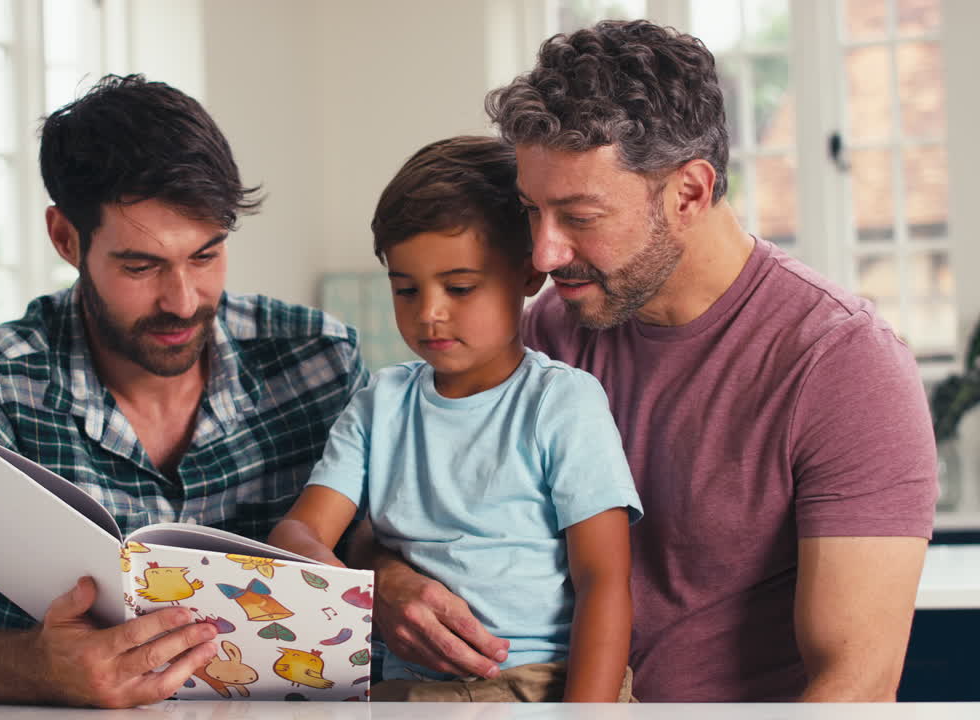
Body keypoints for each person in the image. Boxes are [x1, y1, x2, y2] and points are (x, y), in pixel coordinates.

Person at [365, 20, 938, 702]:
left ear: (690, 193)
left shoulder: (842, 367)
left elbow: (856, 686)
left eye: (579, 215)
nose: (543, 255)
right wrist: (388, 582)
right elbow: (396, 518)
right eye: (531, 212)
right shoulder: (545, 334)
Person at [0, 74, 367, 708]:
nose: (183, 301)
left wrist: (398, 580)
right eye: (141, 266)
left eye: (206, 256)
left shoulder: (317, 360)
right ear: (66, 238)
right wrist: (37, 669)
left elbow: (401, 537)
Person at [268, 136, 643, 703]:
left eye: (460, 287)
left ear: (527, 275)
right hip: (403, 689)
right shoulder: (380, 403)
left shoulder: (562, 403)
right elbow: (298, 533)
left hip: (539, 686)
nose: (429, 313)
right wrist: (351, 587)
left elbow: (604, 581)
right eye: (405, 289)